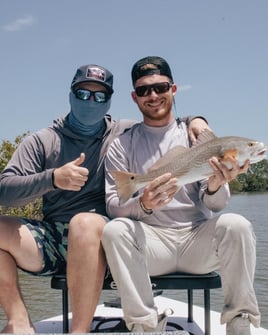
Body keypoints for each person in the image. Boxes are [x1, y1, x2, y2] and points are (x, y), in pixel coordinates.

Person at [0, 63, 208, 334]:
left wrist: (196, 120)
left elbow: (162, 118)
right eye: (84, 93)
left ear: (109, 101)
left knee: (84, 223)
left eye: (100, 96)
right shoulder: (41, 141)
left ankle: (80, 331)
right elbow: (5, 191)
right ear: (71, 94)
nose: (91, 101)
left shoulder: (122, 133)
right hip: (54, 239)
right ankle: (18, 321)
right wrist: (51, 179)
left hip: (106, 243)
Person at [102, 56, 261, 335]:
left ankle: (240, 322)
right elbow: (114, 207)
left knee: (237, 225)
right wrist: (143, 204)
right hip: (151, 245)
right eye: (143, 91)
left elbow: (218, 204)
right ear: (134, 97)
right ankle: (145, 326)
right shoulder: (121, 145)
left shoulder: (200, 137)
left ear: (173, 90)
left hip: (195, 240)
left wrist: (214, 186)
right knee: (115, 230)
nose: (153, 96)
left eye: (160, 87)